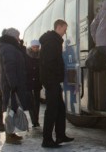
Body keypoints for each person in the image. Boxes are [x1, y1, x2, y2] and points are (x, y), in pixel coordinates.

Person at [39, 19, 74, 148]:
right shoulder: (52, 41)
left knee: (60, 108)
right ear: (59, 27)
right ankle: (47, 140)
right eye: (64, 30)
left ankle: (60, 135)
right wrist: (57, 74)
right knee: (52, 110)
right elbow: (49, 62)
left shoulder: (53, 40)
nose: (65, 33)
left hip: (52, 80)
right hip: (51, 80)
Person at [0, 28, 28, 145]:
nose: (18, 38)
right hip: (11, 85)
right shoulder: (8, 48)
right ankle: (9, 135)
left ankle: (11, 133)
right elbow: (9, 67)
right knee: (11, 110)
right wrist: (13, 84)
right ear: (12, 36)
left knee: (13, 109)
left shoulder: (8, 46)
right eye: (17, 36)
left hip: (12, 84)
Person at [26, 39, 42, 128]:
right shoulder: (26, 55)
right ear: (31, 47)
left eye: (37, 47)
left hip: (37, 82)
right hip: (28, 82)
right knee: (31, 103)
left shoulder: (41, 55)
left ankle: (36, 120)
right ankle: (34, 120)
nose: (35, 48)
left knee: (37, 102)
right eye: (34, 47)